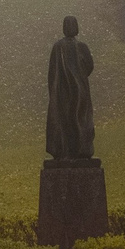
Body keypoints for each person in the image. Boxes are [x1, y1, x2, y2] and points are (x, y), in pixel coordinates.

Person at [45, 14, 95, 161]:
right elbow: (89, 66)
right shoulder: (81, 47)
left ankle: (64, 151)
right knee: (79, 118)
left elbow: (52, 72)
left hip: (62, 92)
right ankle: (81, 150)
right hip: (80, 91)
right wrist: (79, 77)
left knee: (65, 119)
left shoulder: (57, 47)